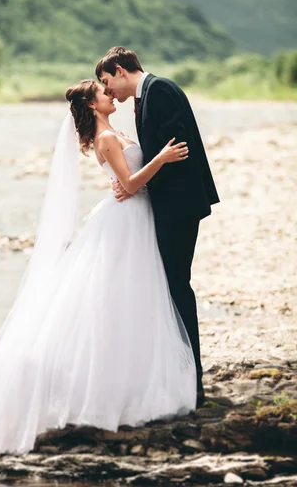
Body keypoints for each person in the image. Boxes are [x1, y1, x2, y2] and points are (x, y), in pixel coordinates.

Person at [0, 79, 196, 456]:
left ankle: (129, 381)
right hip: (124, 222)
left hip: (136, 218)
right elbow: (127, 183)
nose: (109, 94)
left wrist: (142, 175)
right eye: (102, 92)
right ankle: (101, 390)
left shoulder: (117, 131)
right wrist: (161, 158)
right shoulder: (106, 139)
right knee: (114, 300)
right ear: (92, 106)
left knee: (135, 299)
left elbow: (127, 184)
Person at [96, 47, 220, 406]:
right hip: (168, 206)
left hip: (177, 207)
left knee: (176, 288)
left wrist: (137, 183)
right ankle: (179, 374)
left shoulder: (159, 90)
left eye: (108, 82)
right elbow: (157, 154)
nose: (111, 92)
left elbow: (174, 151)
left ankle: (191, 380)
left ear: (120, 71)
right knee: (170, 287)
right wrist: (131, 180)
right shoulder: (147, 96)